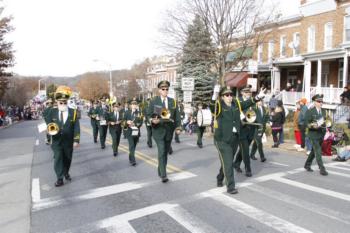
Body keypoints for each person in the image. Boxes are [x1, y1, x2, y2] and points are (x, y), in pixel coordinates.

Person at [146, 80, 181, 183]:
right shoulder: (154, 101)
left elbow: (177, 116)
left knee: (165, 152)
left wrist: (178, 127)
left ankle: (160, 168)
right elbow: (148, 115)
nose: (165, 91)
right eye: (163, 89)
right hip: (158, 130)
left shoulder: (172, 101)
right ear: (159, 90)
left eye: (167, 89)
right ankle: (164, 174)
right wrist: (152, 120)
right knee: (161, 151)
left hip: (169, 131)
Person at [46, 86, 80, 187]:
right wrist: (49, 131)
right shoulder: (52, 111)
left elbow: (76, 127)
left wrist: (76, 140)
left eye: (65, 102)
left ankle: (66, 172)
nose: (63, 104)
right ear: (57, 102)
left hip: (68, 141)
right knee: (58, 158)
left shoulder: (73, 112)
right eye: (61, 102)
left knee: (67, 158)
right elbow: (47, 122)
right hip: (56, 140)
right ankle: (59, 178)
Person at [233, 85, 264, 177]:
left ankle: (236, 164)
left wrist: (260, 127)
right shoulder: (237, 101)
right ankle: (248, 169)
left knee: (243, 149)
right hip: (242, 129)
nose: (248, 94)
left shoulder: (253, 102)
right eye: (246, 92)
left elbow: (257, 114)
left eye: (249, 92)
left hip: (252, 129)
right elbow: (235, 113)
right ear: (242, 92)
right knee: (246, 150)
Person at [304, 94, 328, 176]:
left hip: (321, 134)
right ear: (314, 102)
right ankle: (322, 168)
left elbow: (326, 121)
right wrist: (312, 125)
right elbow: (306, 123)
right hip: (313, 134)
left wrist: (329, 126)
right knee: (318, 151)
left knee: (314, 151)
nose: (321, 103)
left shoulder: (324, 111)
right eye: (319, 101)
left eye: (321, 101)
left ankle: (307, 164)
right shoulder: (310, 111)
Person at [124, 100, 143, 166]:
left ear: (136, 105)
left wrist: (135, 124)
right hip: (129, 131)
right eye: (133, 104)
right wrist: (127, 122)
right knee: (131, 145)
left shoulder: (139, 113)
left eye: (135, 104)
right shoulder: (127, 112)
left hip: (136, 131)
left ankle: (130, 156)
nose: (134, 105)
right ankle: (133, 160)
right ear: (130, 105)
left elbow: (141, 122)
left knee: (134, 146)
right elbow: (123, 121)